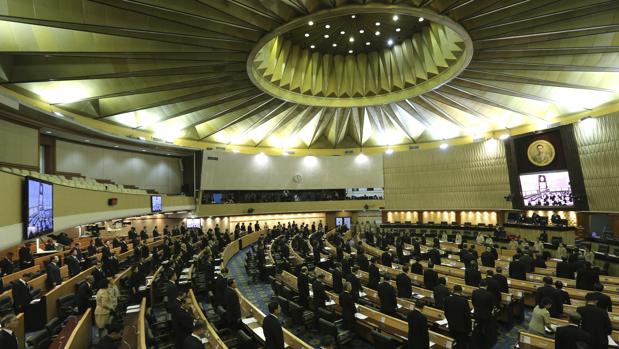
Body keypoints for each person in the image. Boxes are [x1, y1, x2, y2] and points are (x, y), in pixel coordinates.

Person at [472, 281, 497, 349]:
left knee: (477, 329)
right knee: (486, 329)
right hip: (486, 315)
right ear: (486, 286)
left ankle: (478, 343)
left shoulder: (474, 292)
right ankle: (485, 345)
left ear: (479, 285)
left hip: (477, 313)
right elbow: (491, 306)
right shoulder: (489, 294)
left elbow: (473, 302)